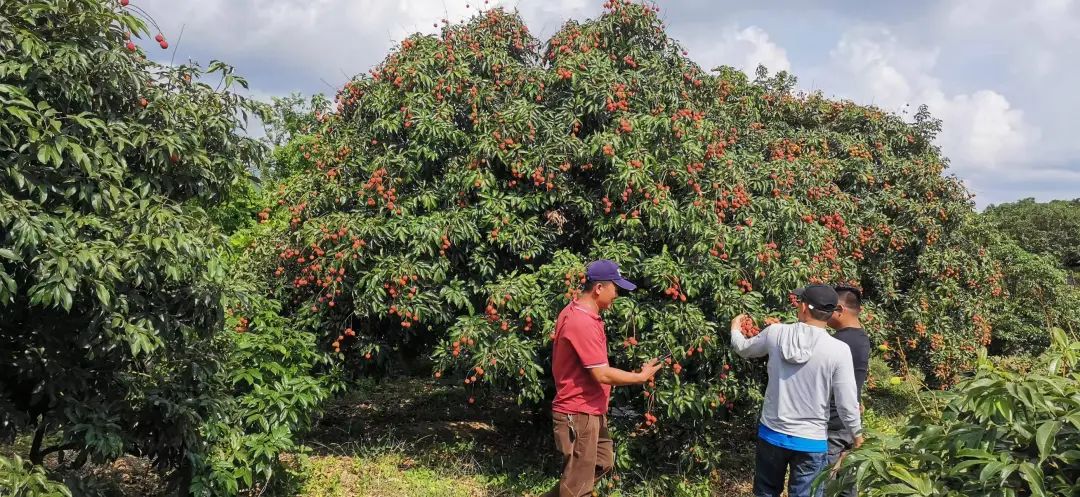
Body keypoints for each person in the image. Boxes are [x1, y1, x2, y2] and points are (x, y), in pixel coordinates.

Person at [730, 284, 864, 497]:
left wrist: (735, 329)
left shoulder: (775, 333)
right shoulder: (838, 350)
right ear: (830, 314)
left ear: (803, 308)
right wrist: (857, 436)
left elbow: (744, 349)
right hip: (811, 441)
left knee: (766, 492)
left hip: (772, 434)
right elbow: (846, 404)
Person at [544, 259, 663, 497]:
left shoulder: (580, 311)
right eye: (615, 288)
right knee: (579, 486)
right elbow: (601, 373)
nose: (617, 294)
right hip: (578, 412)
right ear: (599, 288)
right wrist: (639, 377)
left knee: (601, 462)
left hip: (591, 408)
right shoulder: (582, 322)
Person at [825, 285, 871, 496]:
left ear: (840, 309)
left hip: (833, 423)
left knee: (823, 485)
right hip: (849, 421)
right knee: (846, 486)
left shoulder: (838, 342)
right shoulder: (860, 337)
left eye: (829, 309)